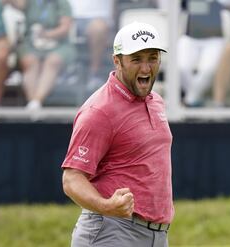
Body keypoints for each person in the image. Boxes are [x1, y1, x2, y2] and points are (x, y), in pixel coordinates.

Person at [61, 22, 174, 247]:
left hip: (156, 236)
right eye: (136, 59)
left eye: (152, 58)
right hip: (111, 232)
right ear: (117, 60)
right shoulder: (99, 111)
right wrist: (106, 206)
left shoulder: (156, 101)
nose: (145, 68)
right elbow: (72, 179)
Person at [3, 0, 76, 110]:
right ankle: (33, 104)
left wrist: (46, 35)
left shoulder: (62, 3)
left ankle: (36, 101)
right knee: (30, 62)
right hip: (31, 43)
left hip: (58, 43)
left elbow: (65, 28)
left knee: (53, 61)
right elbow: (13, 3)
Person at [177, 0, 225, 107]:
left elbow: (227, 5)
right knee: (181, 67)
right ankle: (195, 99)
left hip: (215, 39)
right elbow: (186, 6)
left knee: (208, 69)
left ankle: (189, 101)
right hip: (190, 37)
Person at [68, 0, 116, 92]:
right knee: (61, 26)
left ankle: (95, 73)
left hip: (99, 16)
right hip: (70, 15)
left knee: (98, 29)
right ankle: (68, 71)